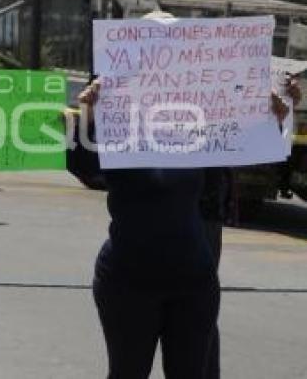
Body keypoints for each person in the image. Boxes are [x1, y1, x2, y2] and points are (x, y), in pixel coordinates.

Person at [79, 75, 297, 379]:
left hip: (194, 280)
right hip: (127, 280)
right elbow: (85, 166)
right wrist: (90, 114)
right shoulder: (119, 130)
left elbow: (250, 149)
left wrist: (278, 114)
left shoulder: (197, 129)